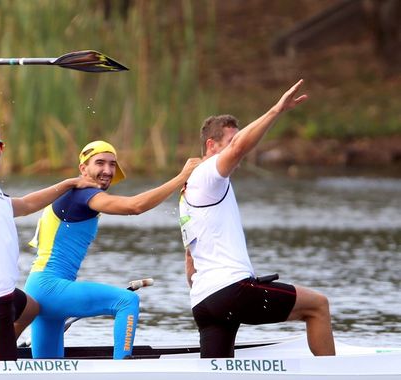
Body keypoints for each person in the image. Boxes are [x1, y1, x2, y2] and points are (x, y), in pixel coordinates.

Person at [0, 52, 99, 361]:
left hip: (5, 295)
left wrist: (69, 183)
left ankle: (10, 347)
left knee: (33, 305)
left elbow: (26, 204)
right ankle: (2, 355)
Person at [179, 79, 336, 358]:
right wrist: (276, 109)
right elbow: (239, 148)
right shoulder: (207, 175)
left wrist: (198, 279)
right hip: (231, 291)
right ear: (211, 145)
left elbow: (190, 257)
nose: (238, 149)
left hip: (205, 302)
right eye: (229, 142)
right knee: (318, 306)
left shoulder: (189, 190)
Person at [24, 141, 200, 359]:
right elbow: (134, 207)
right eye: (100, 163)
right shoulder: (82, 194)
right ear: (83, 169)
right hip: (51, 288)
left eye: (112, 164)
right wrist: (181, 177)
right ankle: (122, 368)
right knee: (126, 301)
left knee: (48, 378)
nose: (107, 170)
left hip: (39, 290)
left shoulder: (75, 194)